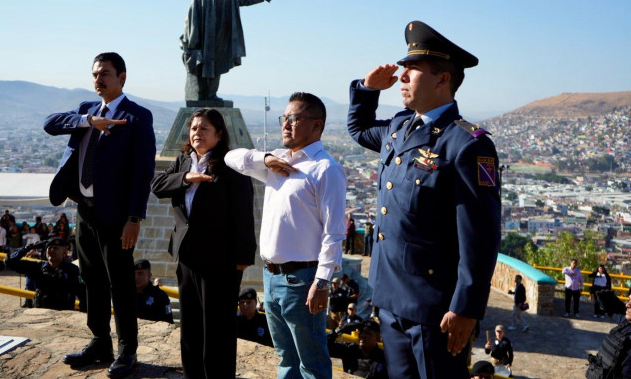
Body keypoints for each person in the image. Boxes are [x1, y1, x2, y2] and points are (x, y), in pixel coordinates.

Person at [347, 21, 502, 379]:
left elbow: (480, 235)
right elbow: (358, 128)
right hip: (390, 300)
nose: (401, 76)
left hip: (436, 310)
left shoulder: (468, 144)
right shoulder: (400, 128)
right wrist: (367, 89)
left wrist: (466, 307)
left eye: (412, 69)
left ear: (442, 79)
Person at [45, 52, 156, 379]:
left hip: (116, 216)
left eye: (105, 73)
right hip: (85, 212)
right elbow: (49, 123)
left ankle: (127, 350)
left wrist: (134, 218)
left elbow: (142, 172)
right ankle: (99, 341)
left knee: (120, 284)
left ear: (121, 77)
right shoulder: (85, 110)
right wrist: (88, 122)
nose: (98, 79)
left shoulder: (137, 116)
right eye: (95, 74)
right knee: (90, 279)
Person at [225, 92, 347, 379]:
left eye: (295, 118)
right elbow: (232, 157)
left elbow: (334, 232)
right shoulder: (277, 162)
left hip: (302, 280)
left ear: (316, 125)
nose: (286, 124)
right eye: (285, 118)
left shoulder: (326, 169)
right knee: (285, 358)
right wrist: (265, 158)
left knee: (312, 362)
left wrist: (323, 281)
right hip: (272, 276)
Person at [151, 107, 256, 379]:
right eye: (194, 128)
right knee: (191, 326)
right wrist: (187, 178)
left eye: (204, 128)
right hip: (187, 257)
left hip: (220, 261)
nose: (197, 133)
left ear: (219, 135)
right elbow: (157, 185)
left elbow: (244, 213)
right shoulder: (184, 162)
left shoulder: (230, 167)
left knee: (218, 330)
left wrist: (243, 256)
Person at [180, 0, 273, 103]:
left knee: (202, 65)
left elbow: (188, 23)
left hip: (202, 41)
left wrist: (187, 40)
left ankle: (203, 95)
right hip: (220, 40)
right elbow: (245, 0)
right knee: (215, 67)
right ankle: (210, 95)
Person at [4, 237, 86, 311]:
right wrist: (28, 247)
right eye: (49, 248)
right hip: (41, 313)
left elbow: (83, 295)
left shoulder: (72, 270)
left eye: (56, 248)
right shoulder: (38, 267)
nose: (52, 251)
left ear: (64, 251)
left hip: (64, 314)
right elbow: (10, 262)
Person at [586, 292, 631, 378]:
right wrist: (602, 295)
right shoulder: (626, 324)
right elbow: (615, 309)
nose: (627, 305)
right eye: (628, 300)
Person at [133, 259, 173, 324]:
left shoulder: (161, 296)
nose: (136, 277)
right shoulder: (127, 294)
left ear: (149, 276)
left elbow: (168, 318)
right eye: (133, 274)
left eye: (140, 274)